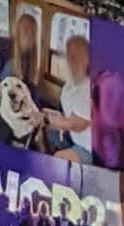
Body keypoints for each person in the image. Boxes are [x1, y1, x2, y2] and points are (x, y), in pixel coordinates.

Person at [45, 29, 93, 159]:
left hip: (88, 148)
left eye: (78, 55)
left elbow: (75, 125)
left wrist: (46, 118)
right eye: (70, 55)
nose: (73, 59)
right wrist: (48, 116)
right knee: (47, 131)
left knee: (59, 158)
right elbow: (67, 114)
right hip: (72, 136)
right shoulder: (71, 80)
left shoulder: (89, 86)